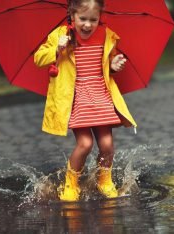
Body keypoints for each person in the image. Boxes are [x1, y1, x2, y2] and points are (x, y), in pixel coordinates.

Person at [34, 0, 137, 201]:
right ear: (72, 15)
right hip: (77, 97)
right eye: (82, 19)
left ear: (100, 18)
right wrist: (57, 48)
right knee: (85, 143)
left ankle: (104, 179)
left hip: (100, 95)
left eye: (93, 19)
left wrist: (114, 65)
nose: (88, 25)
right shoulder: (60, 35)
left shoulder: (107, 36)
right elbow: (39, 58)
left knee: (107, 144)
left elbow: (106, 65)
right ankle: (71, 183)